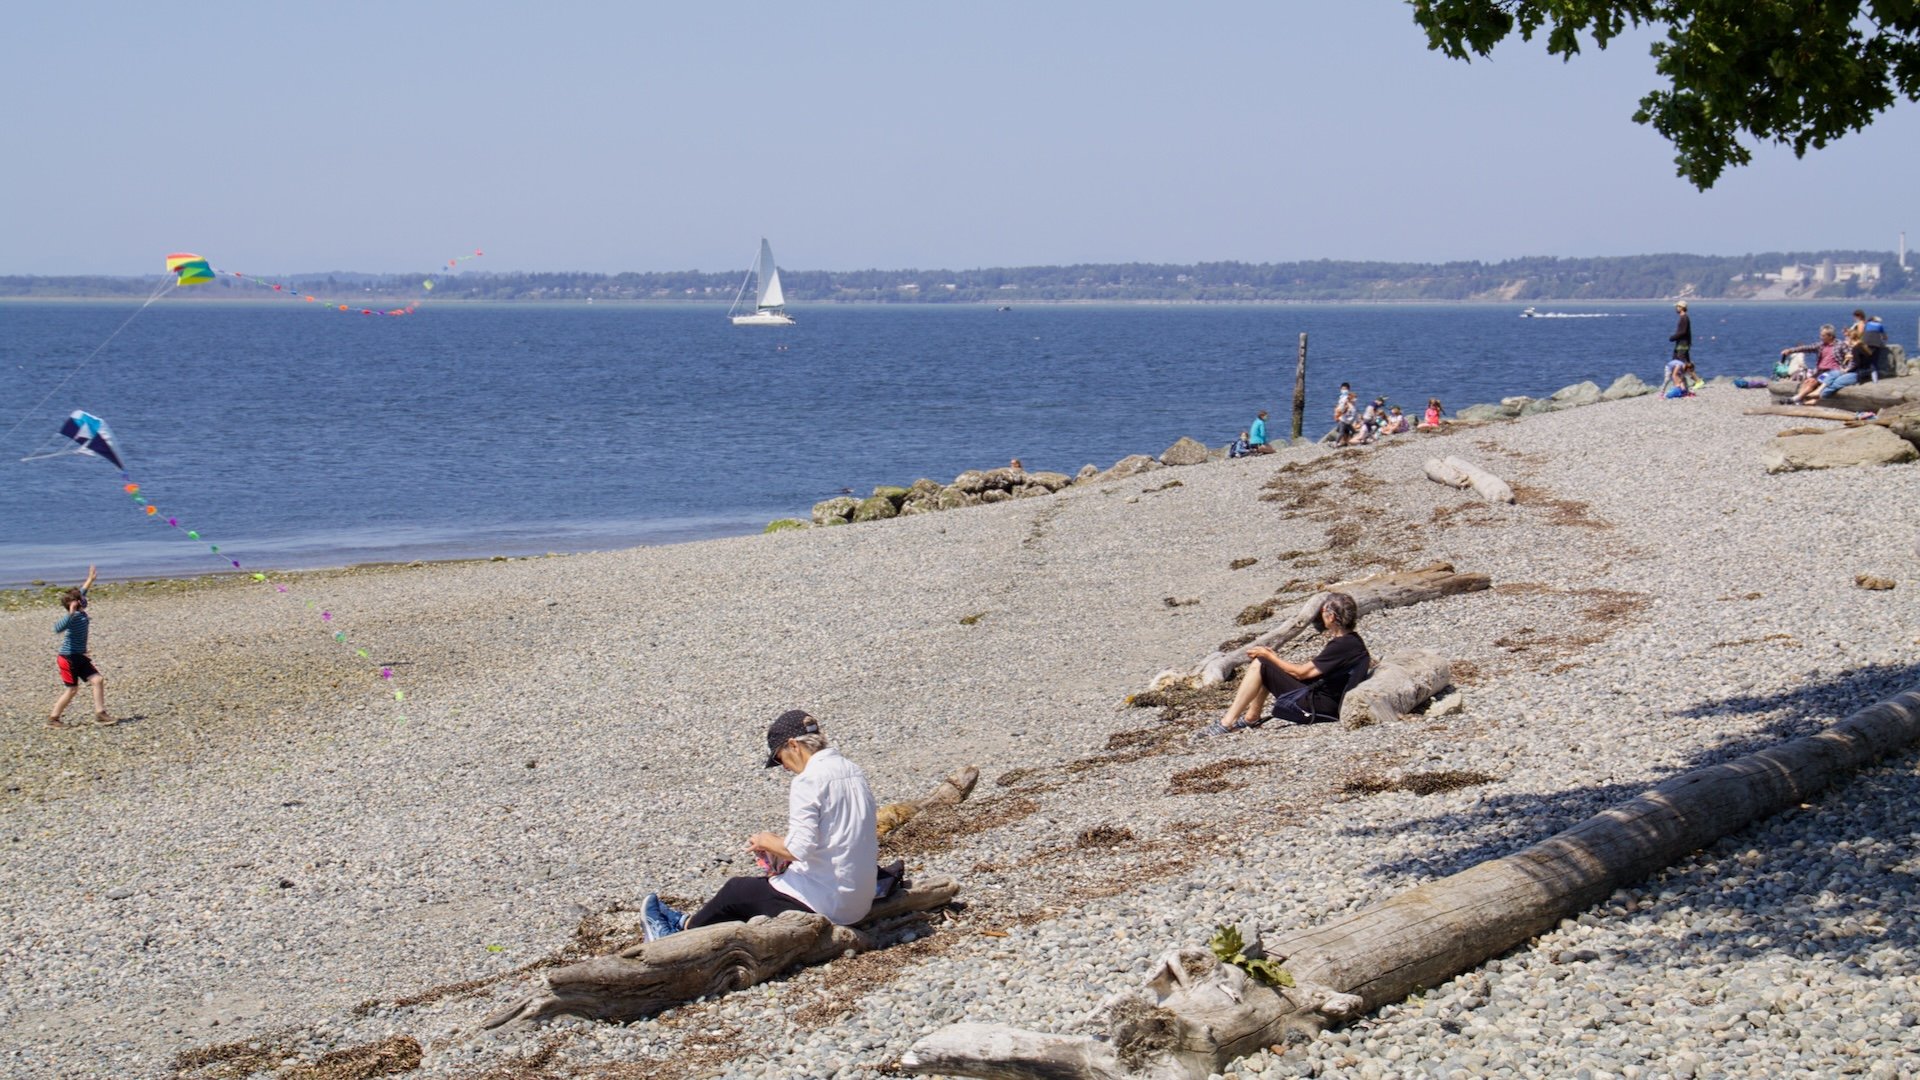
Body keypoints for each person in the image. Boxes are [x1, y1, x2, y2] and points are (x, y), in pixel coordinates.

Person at [641, 710, 878, 939]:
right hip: (859, 899)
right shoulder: (852, 770)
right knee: (757, 892)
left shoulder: (808, 780)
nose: (783, 766)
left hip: (828, 904)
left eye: (779, 757)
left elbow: (798, 850)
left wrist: (766, 841)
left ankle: (675, 935)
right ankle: (687, 923)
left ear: (793, 745)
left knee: (736, 891)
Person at [1199, 592, 1370, 736]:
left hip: (1319, 707)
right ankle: (1251, 717)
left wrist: (1269, 656)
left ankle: (1226, 723)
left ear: (1331, 616)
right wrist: (1274, 660)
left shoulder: (1341, 645)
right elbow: (1311, 672)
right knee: (1270, 665)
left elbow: (1302, 673)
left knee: (1261, 663)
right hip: (1327, 701)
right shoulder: (1353, 641)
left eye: (1323, 611)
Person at [49, 565, 111, 727]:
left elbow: (82, 592)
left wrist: (90, 579)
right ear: (75, 605)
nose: (84, 599)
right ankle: (53, 719)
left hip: (79, 656)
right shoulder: (73, 617)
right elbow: (56, 629)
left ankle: (100, 713)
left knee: (97, 680)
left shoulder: (81, 611)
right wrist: (70, 612)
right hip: (67, 658)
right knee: (72, 689)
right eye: (80, 600)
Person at [1785, 325, 1848, 405]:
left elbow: (1850, 355)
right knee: (1806, 382)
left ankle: (1795, 399)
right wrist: (1790, 350)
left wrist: (1846, 368)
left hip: (1831, 371)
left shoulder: (1840, 345)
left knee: (1812, 382)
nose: (1820, 337)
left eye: (1823, 335)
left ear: (1830, 336)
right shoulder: (1821, 345)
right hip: (1820, 371)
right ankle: (1800, 401)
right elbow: (1807, 348)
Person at [1669, 299, 1692, 373]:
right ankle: (1680, 381)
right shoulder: (1683, 317)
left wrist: (1673, 337)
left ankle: (1696, 379)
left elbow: (1683, 331)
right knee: (1675, 361)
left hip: (1683, 343)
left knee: (1683, 361)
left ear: (1681, 308)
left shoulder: (1684, 318)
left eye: (1677, 307)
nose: (1676, 308)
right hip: (1680, 343)